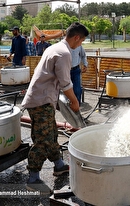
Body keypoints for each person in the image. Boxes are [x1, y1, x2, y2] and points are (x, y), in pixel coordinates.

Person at [21, 22, 89, 194]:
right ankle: (33, 178)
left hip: (42, 98)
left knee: (51, 132)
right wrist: (74, 102)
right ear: (76, 37)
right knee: (43, 139)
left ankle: (59, 165)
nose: (80, 45)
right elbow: (66, 84)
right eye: (81, 41)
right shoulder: (64, 53)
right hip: (41, 100)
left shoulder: (54, 48)